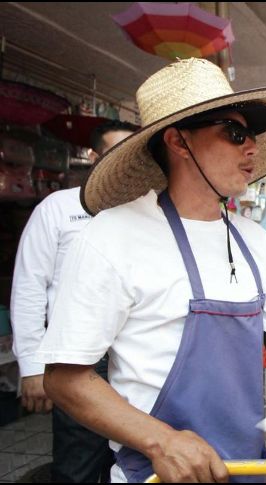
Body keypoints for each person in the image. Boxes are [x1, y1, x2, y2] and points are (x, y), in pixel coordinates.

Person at [34, 58, 266, 483]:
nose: (252, 148)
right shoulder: (113, 236)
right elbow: (64, 378)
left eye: (251, 135)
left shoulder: (259, 243)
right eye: (235, 133)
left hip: (247, 470)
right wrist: (161, 442)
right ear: (178, 141)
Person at [10, 119, 135, 482]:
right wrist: (32, 366)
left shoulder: (146, 210)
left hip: (133, 358)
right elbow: (30, 286)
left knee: (130, 462)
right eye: (115, 151)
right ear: (94, 156)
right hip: (78, 361)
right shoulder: (58, 208)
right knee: (78, 463)